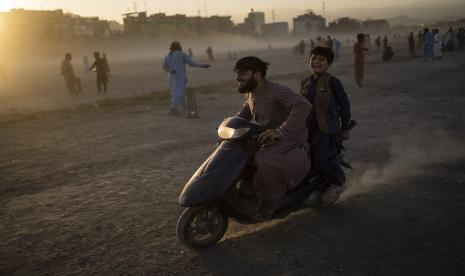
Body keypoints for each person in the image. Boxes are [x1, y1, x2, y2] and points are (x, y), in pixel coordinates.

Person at [234, 56, 311, 220]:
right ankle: (249, 184)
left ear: (257, 74)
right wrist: (228, 126)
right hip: (268, 137)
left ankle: (270, 200)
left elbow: (303, 105)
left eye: (242, 74)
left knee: (264, 158)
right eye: (237, 73)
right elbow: (244, 114)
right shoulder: (251, 93)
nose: (238, 78)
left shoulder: (276, 91)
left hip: (290, 139)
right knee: (238, 149)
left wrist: (281, 131)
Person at [300, 46, 351, 204]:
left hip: (326, 129)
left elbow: (345, 105)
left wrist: (345, 128)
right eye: (314, 58)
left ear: (329, 64)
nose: (316, 62)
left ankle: (338, 181)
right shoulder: (306, 82)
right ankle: (317, 187)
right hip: (307, 129)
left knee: (321, 159)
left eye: (321, 59)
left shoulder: (332, 82)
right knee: (304, 160)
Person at [163, 41, 210, 114]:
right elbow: (191, 64)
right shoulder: (181, 54)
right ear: (179, 47)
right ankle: (172, 108)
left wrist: (170, 70)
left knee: (176, 92)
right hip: (180, 76)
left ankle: (183, 105)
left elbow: (164, 67)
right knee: (179, 92)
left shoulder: (168, 56)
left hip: (171, 76)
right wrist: (203, 66)